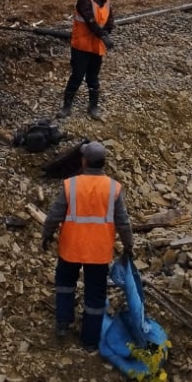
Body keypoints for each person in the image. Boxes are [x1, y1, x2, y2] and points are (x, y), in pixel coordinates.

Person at [41, 141, 134, 349]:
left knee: (65, 285)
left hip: (71, 248)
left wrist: (46, 234)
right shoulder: (113, 188)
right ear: (103, 163)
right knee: (95, 294)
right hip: (98, 253)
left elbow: (54, 215)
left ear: (84, 161)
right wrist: (129, 246)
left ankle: (63, 324)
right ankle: (90, 340)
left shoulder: (71, 185)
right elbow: (123, 222)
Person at [59, 0, 116, 120]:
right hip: (81, 47)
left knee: (93, 77)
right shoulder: (85, 0)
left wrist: (107, 32)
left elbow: (110, 20)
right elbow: (90, 20)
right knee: (77, 76)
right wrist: (103, 36)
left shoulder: (106, 2)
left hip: (96, 47)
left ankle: (93, 106)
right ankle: (66, 106)